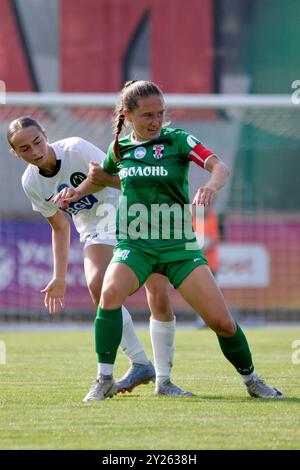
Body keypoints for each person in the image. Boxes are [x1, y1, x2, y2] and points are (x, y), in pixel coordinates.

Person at [56, 80, 283, 402]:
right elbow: (101, 179)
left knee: (222, 322)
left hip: (178, 246)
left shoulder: (178, 141)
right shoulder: (118, 148)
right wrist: (76, 193)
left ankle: (252, 381)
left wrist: (212, 186)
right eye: (148, 115)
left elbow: (220, 166)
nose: (156, 121)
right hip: (135, 244)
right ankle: (104, 379)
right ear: (128, 115)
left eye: (160, 114)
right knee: (108, 294)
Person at [7, 116, 193, 397]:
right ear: (15, 152)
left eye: (37, 141)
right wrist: (58, 277)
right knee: (97, 285)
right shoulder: (31, 182)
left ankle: (164, 381)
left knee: (158, 293)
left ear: (45, 134)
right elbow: (59, 226)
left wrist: (81, 189)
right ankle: (140, 362)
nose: (34, 151)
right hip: (97, 226)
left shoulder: (76, 149)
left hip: (132, 210)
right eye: (24, 149)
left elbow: (122, 178)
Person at [193, 206, 220, 328]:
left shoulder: (212, 217)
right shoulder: (193, 219)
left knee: (211, 293)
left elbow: (214, 239)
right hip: (197, 263)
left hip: (211, 264)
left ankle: (211, 319)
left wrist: (203, 247)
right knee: (198, 293)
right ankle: (202, 319)